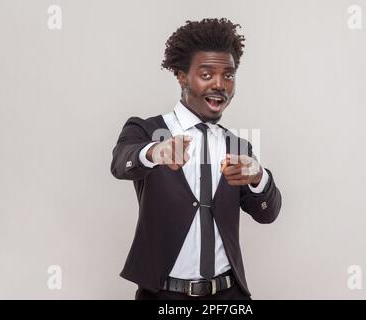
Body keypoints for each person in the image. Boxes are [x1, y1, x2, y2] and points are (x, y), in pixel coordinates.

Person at [110, 18, 282, 300]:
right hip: (164, 295)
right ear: (181, 75)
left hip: (229, 296)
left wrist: (258, 177)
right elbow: (120, 162)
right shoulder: (147, 130)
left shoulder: (238, 146)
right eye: (206, 74)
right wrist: (155, 152)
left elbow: (268, 213)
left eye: (228, 75)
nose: (220, 84)